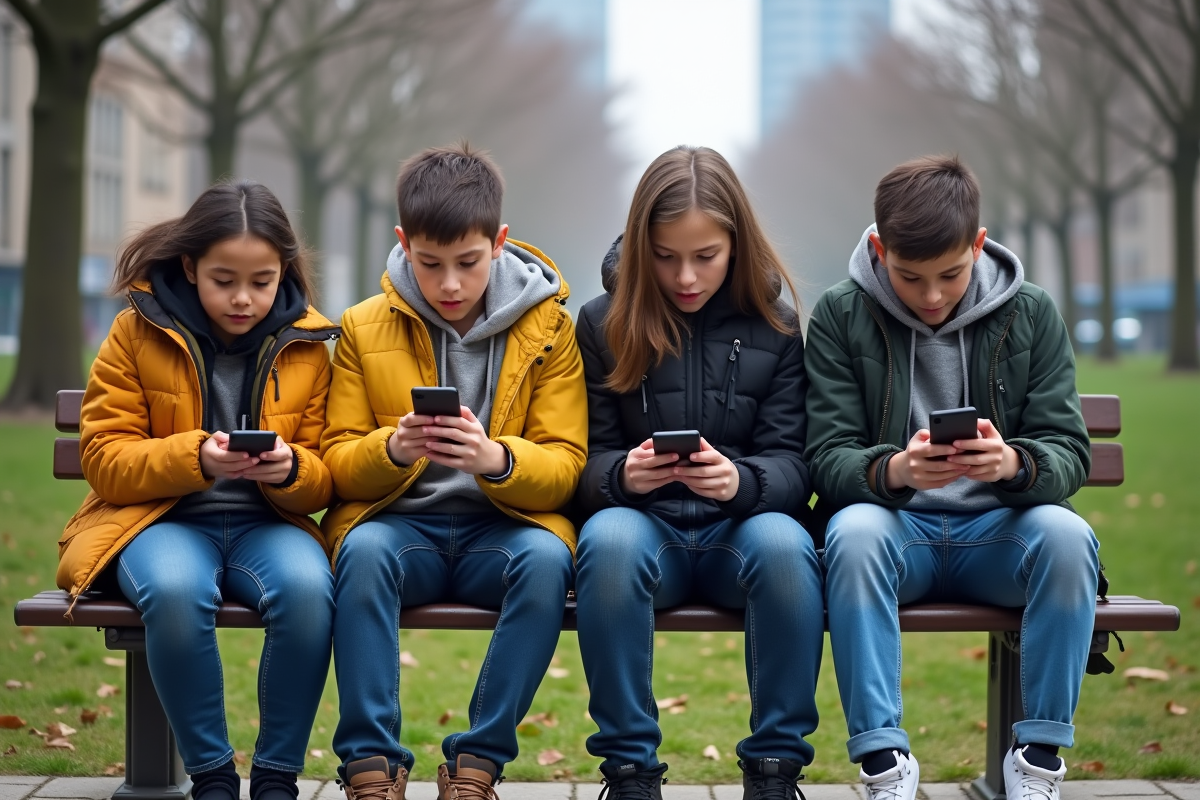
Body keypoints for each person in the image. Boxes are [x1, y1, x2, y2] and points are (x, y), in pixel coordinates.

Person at [805, 155, 1098, 800]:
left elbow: (1069, 450)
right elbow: (825, 456)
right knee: (851, 533)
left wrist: (1016, 464)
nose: (932, 296)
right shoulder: (840, 315)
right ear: (878, 249)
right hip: (896, 532)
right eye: (910, 277)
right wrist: (897, 469)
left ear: (979, 244)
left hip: (1001, 534)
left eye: (951, 274)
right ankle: (885, 765)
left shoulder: (1032, 313)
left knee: (1068, 537)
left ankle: (1037, 761)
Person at [320, 143, 587, 800]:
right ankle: (371, 766)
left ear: (498, 242)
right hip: (397, 527)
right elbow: (336, 463)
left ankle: (476, 765)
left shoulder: (551, 328)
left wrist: (496, 459)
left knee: (546, 561)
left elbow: (565, 467)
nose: (448, 285)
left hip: (503, 529)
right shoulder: (360, 327)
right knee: (361, 553)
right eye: (429, 263)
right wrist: (394, 449)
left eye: (467, 264)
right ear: (402, 242)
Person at [58, 181, 339, 800]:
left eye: (262, 281)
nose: (244, 298)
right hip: (162, 523)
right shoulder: (137, 331)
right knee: (177, 590)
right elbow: (104, 459)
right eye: (223, 279)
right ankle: (212, 777)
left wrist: (291, 470)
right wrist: (197, 458)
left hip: (271, 525)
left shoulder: (311, 344)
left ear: (283, 272)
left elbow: (327, 472)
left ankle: (276, 777)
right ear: (189, 266)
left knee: (309, 590)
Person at [572, 146, 823, 800]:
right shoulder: (603, 324)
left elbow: (796, 464)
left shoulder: (777, 326)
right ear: (639, 247)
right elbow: (582, 463)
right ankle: (630, 773)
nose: (685, 275)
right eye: (664, 255)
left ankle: (774, 771)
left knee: (787, 547)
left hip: (739, 534)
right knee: (609, 542)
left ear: (736, 244)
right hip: (643, 529)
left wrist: (741, 482)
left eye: (705, 256)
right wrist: (624, 476)